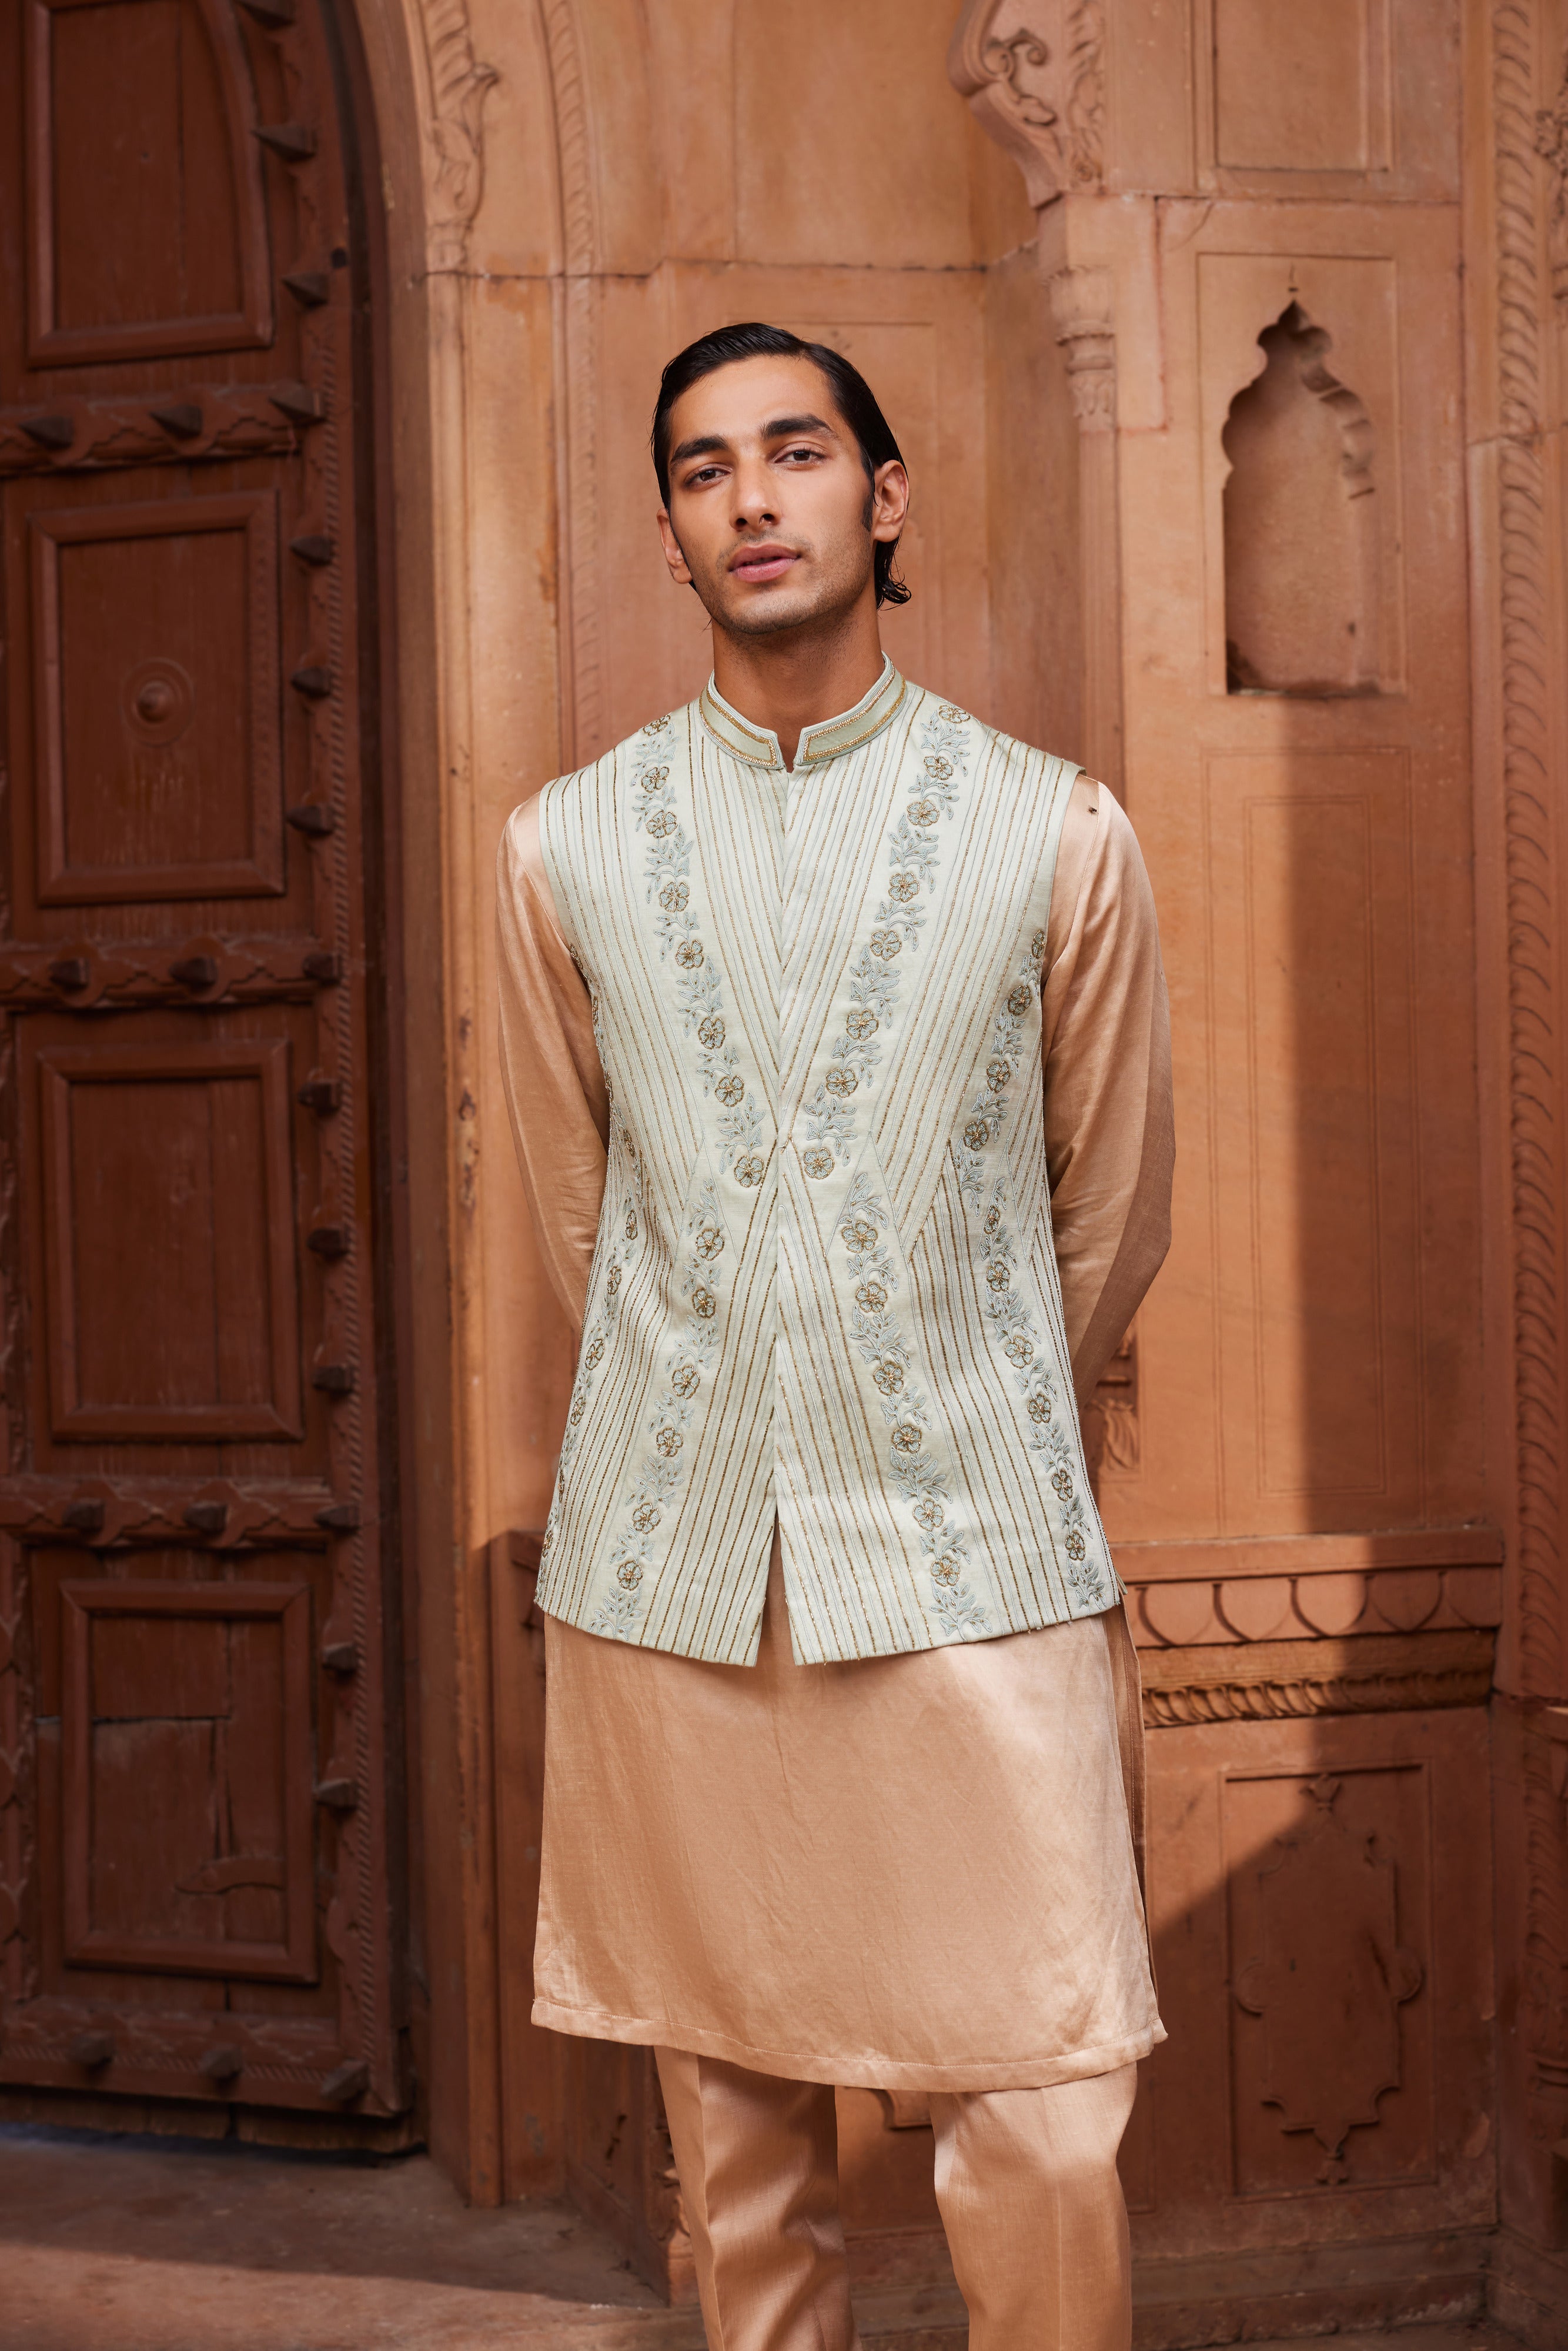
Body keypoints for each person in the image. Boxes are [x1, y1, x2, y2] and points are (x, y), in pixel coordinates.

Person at [496, 321, 1174, 2351]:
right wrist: (717, 1395)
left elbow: (1108, 1207)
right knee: (736, 2148)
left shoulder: (1051, 828)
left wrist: (931, 1391)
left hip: (970, 1558)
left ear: (881, 499)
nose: (752, 498)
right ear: (671, 533)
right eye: (704, 471)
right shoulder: (564, 847)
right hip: (677, 1576)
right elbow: (572, 1211)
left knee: (1046, 2127)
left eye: (794, 454)